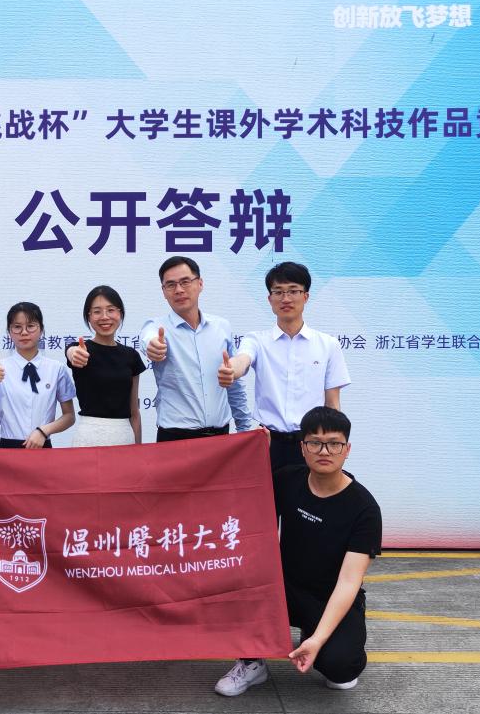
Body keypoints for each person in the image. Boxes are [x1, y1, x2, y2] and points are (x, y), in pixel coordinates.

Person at [214, 407, 381, 696]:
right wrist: (256, 451)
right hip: (284, 589)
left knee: (340, 668)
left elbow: (348, 582)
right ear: (302, 448)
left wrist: (318, 640)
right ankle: (252, 663)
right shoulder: (287, 480)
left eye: (334, 443)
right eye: (314, 443)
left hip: (330, 596)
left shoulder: (364, 508)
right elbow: (244, 498)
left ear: (347, 449)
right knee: (233, 584)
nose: (324, 451)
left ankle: (315, 633)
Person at [218, 262, 349, 471]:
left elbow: (332, 404)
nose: (285, 298)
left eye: (293, 291)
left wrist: (333, 448)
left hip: (311, 444)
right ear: (269, 299)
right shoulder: (257, 340)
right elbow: (242, 360)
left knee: (309, 493)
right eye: (278, 292)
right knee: (267, 493)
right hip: (268, 442)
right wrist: (231, 370)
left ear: (306, 296)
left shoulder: (328, 345)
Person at [140, 256, 253, 441]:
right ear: (164, 291)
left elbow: (233, 382)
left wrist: (244, 427)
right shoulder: (156, 327)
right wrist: (153, 346)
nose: (179, 290)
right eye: (171, 285)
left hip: (220, 436)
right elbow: (148, 339)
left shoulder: (221, 327)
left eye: (185, 282)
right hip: (175, 438)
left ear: (200, 284)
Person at [0, 302, 75, 448]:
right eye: (17, 327)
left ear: (41, 330)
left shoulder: (56, 368)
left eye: (31, 326)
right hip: (7, 448)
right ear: (9, 331)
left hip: (43, 446)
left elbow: (69, 416)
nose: (24, 332)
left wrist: (43, 431)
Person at [65, 285, 146, 446]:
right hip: (88, 438)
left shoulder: (131, 356)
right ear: (88, 317)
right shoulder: (81, 350)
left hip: (124, 437)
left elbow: (134, 412)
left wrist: (138, 450)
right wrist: (73, 353)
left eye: (111, 310)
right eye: (97, 311)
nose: (104, 317)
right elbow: (72, 352)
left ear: (120, 314)